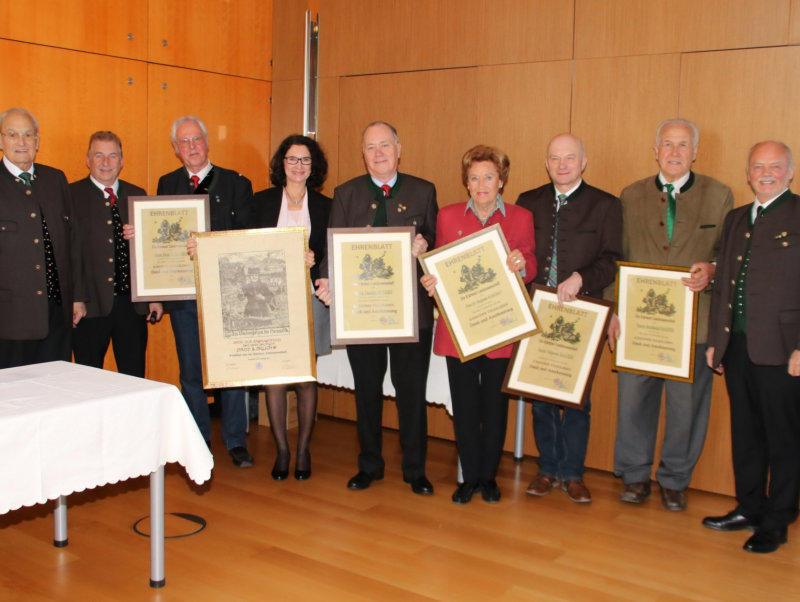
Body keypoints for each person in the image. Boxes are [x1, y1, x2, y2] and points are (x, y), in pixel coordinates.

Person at [607, 118, 733, 510]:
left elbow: (727, 255)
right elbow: (616, 256)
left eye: (682, 145)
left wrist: (711, 270)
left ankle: (675, 479)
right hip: (638, 321)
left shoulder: (719, 195)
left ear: (695, 151)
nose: (674, 152)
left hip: (693, 323)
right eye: (667, 144)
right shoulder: (631, 195)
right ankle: (634, 475)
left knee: (687, 406)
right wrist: (612, 310)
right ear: (655, 150)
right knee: (633, 402)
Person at [316, 121, 438, 495]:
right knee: (367, 391)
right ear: (363, 154)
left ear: (399, 149)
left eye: (385, 145)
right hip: (362, 313)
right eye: (371, 147)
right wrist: (326, 279)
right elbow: (332, 247)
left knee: (411, 392)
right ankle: (369, 465)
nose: (379, 153)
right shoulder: (346, 193)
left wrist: (425, 245)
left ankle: (415, 470)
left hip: (410, 314)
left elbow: (437, 240)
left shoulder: (423, 190)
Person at [127, 115, 256, 467]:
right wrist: (140, 235)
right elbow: (159, 239)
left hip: (227, 293)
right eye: (183, 142)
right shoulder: (167, 183)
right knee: (191, 372)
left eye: (196, 139)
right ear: (175, 148)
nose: (191, 146)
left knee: (232, 369)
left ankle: (235, 440)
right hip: (183, 294)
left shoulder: (235, 183)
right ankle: (198, 439)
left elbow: (245, 236)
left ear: (207, 142)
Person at [421, 145, 535, 504]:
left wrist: (522, 264)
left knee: (495, 408)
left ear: (501, 180)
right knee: (466, 408)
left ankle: (489, 477)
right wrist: (431, 281)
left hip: (500, 328)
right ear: (466, 182)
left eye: (488, 177)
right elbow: (437, 263)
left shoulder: (521, 217)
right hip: (459, 332)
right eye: (474, 178)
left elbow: (531, 263)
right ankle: (468, 478)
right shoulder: (447, 216)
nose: (481, 184)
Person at [703, 140, 800, 553]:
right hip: (738, 345)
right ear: (748, 173)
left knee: (783, 438)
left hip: (783, 349)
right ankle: (749, 508)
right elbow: (724, 283)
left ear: (790, 171)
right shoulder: (736, 218)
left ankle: (777, 520)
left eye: (775, 166)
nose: (766, 173)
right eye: (758, 166)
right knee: (746, 433)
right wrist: (716, 341)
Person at [516, 133, 622, 503]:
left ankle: (573, 473)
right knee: (541, 397)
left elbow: (613, 259)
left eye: (570, 157)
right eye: (555, 158)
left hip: (583, 315)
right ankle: (547, 469)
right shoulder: (528, 202)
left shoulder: (605, 205)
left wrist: (581, 277)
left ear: (583, 161)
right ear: (546, 163)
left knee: (578, 400)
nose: (562, 165)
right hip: (537, 312)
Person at [253, 134, 332, 481]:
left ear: (314, 166)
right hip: (270, 302)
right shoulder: (261, 201)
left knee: (305, 377)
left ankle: (303, 451)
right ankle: (282, 450)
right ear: (281, 164)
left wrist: (318, 261)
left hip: (309, 299)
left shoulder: (327, 205)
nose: (298, 166)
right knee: (274, 377)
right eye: (292, 159)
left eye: (305, 160)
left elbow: (332, 251)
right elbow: (246, 247)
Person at [70, 131, 163, 376]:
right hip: (89, 306)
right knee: (88, 377)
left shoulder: (138, 194)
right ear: (88, 160)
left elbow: (151, 251)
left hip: (131, 307)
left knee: (134, 376)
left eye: (112, 156)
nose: (105, 162)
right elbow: (68, 253)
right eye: (98, 155)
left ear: (121, 161)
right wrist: (75, 298)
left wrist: (153, 297)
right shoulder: (71, 195)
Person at [0, 107, 86, 368]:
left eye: (28, 135)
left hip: (57, 314)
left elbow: (72, 243)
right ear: (1, 140)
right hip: (10, 318)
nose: (22, 141)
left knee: (56, 385)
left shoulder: (55, 179)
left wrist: (77, 297)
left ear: (37, 141)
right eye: (13, 134)